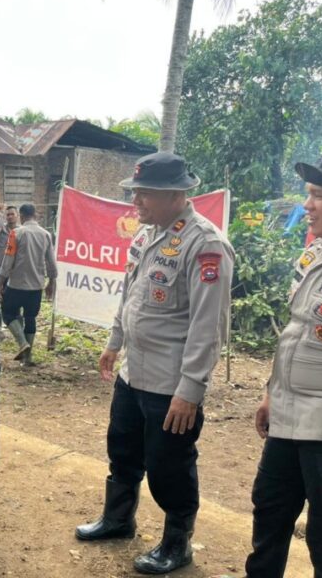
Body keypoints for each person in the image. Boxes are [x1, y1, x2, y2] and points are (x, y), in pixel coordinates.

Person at [76, 153, 234, 575]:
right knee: (122, 449)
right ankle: (118, 519)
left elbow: (208, 327)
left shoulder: (206, 245)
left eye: (144, 193)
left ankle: (177, 544)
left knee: (170, 466)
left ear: (175, 194)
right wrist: (114, 343)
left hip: (170, 383)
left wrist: (190, 391)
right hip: (133, 373)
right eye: (135, 192)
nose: (136, 201)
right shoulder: (147, 236)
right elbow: (130, 297)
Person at [244, 148, 322, 578]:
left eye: (319, 195)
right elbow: (295, 333)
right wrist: (271, 394)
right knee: (268, 516)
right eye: (308, 193)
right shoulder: (316, 252)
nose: (307, 205)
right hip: (287, 422)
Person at [0, 203, 58, 366]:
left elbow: (8, 259)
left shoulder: (16, 233)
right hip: (36, 286)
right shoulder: (45, 234)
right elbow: (51, 261)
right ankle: (28, 358)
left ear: (22, 216)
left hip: (16, 284)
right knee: (30, 318)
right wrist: (51, 281)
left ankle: (22, 343)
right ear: (35, 215)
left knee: (8, 314)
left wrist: (1, 282)